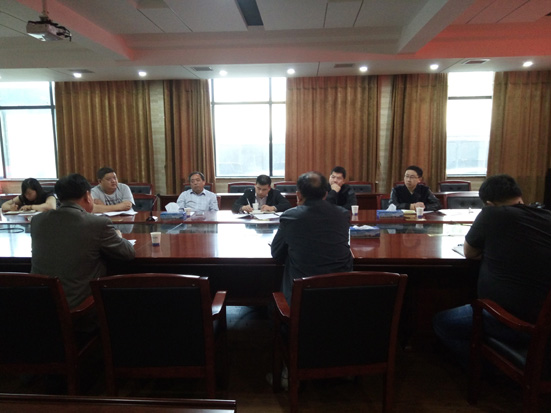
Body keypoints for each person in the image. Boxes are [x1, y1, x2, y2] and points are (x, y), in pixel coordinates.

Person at [432, 174, 551, 368]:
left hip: (513, 322)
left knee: (442, 322)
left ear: (488, 204)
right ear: (519, 196)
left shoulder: (492, 214)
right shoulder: (547, 216)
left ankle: (486, 370)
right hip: (545, 322)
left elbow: (470, 252)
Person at [30, 173, 135, 322]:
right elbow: (128, 253)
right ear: (87, 195)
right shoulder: (97, 224)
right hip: (81, 311)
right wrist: (118, 236)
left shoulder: (37, 220)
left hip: (40, 309)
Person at [271, 171, 353, 303]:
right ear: (326, 194)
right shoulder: (343, 214)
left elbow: (276, 253)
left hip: (302, 299)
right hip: (340, 295)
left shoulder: (290, 216)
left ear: (298, 195)